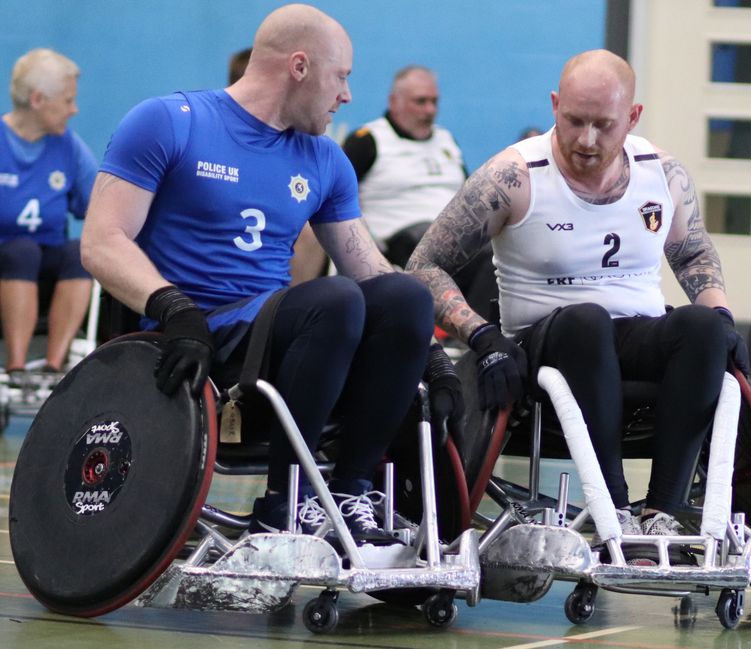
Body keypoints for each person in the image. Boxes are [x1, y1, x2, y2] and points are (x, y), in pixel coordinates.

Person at [82, 4, 460, 545]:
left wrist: (435, 356)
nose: (347, 95)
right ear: (300, 67)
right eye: (342, 76)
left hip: (279, 337)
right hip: (194, 339)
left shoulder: (325, 160)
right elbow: (100, 240)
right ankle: (289, 502)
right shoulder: (170, 122)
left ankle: (349, 493)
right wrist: (173, 307)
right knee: (334, 300)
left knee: (402, 296)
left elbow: (371, 270)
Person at [407, 49, 749, 561]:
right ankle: (615, 509)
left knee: (703, 330)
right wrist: (482, 336)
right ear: (554, 106)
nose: (587, 140)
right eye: (574, 121)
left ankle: (662, 512)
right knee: (586, 321)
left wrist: (721, 314)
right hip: (546, 340)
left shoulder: (663, 174)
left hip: (633, 333)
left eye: (603, 125)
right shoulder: (513, 176)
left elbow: (693, 250)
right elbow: (424, 265)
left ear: (632, 118)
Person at [342, 65, 497, 321]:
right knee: (435, 234)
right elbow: (338, 197)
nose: (430, 110)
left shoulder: (446, 140)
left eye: (434, 102)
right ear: (395, 101)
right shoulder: (368, 140)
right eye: (420, 102)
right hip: (400, 242)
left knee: (497, 253)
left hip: (454, 238)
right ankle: (461, 334)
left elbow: (470, 196)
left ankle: (474, 336)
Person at [0, 48, 96, 377]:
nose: (74, 109)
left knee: (80, 251)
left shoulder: (68, 146)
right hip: (7, 258)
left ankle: (55, 367)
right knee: (22, 250)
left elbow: (96, 206)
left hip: (47, 263)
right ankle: (16, 367)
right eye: (67, 101)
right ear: (38, 99)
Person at [227, 45, 327, 285]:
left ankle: (288, 311)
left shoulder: (312, 148)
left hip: (287, 284)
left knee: (311, 231)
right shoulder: (210, 132)